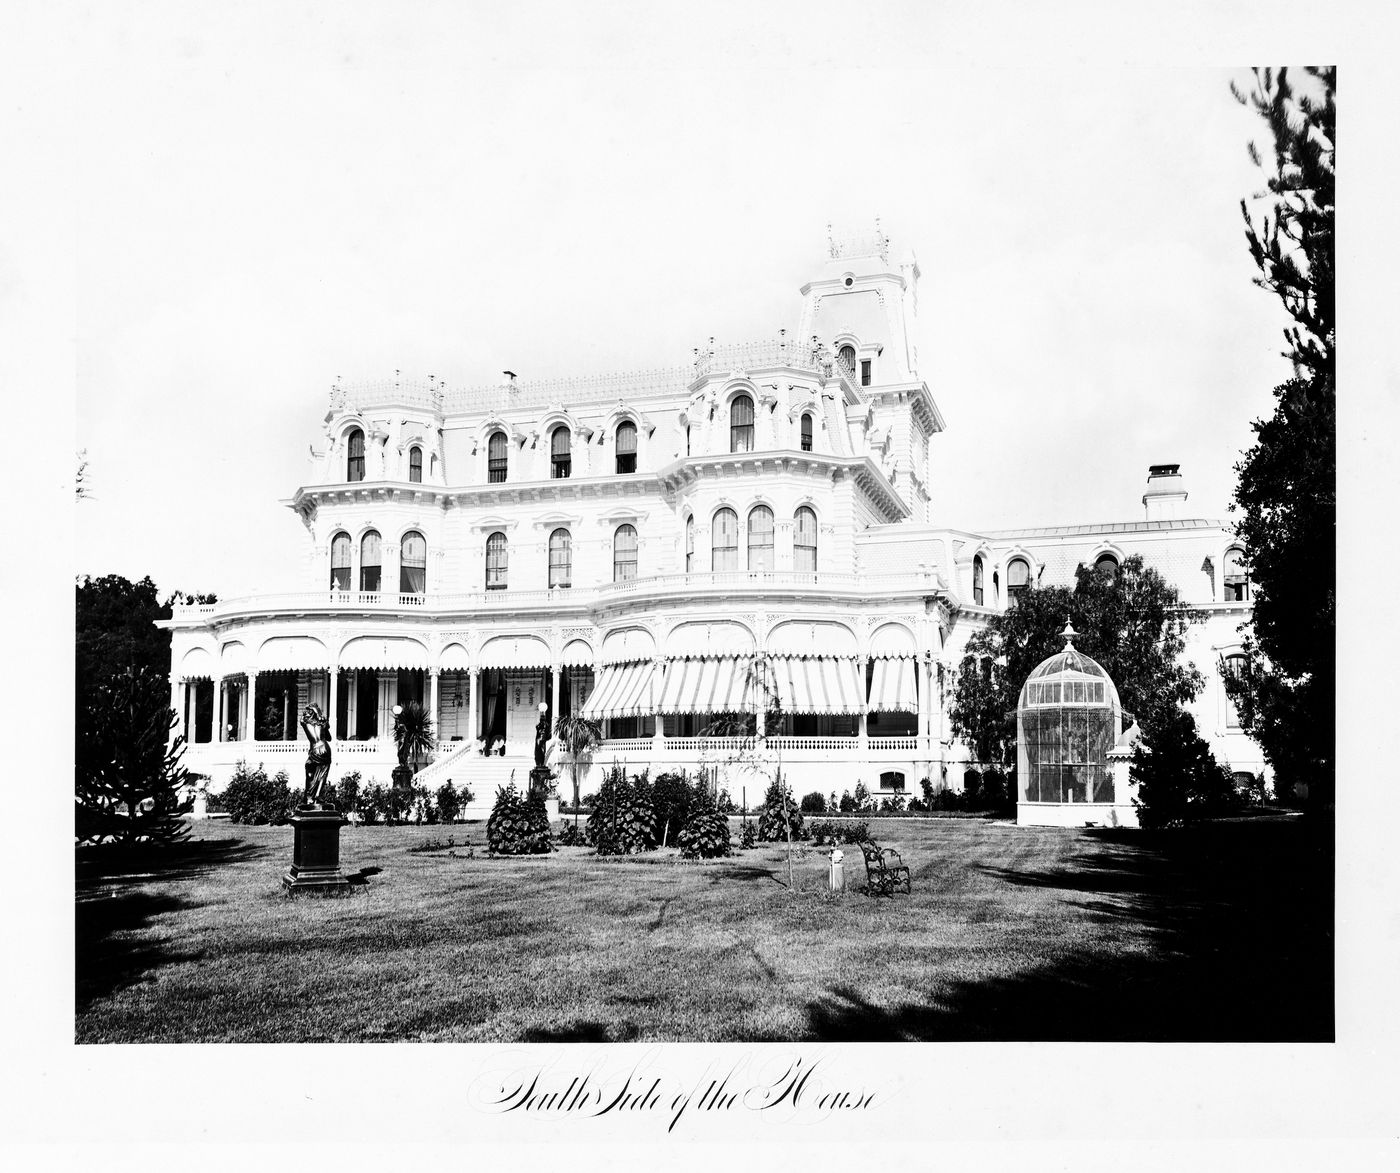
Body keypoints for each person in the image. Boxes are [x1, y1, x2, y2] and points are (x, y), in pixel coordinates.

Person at [301, 704, 333, 808]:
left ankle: (309, 797)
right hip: (324, 749)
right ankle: (317, 795)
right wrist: (322, 720)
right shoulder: (322, 723)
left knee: (310, 773)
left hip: (314, 750)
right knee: (323, 774)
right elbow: (329, 738)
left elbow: (302, 719)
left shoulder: (305, 722)